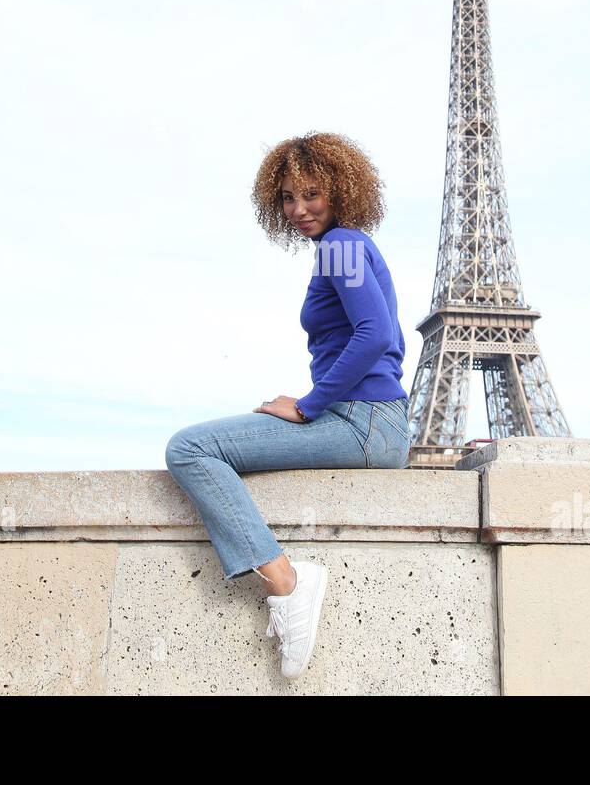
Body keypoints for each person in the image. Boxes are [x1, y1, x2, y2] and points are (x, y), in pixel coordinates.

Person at [164, 131, 411, 679]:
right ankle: (285, 580)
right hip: (376, 421)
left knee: (189, 447)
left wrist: (309, 405)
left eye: (312, 195)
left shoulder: (342, 245)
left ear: (342, 193)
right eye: (287, 198)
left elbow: (374, 334)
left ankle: (286, 581)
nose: (298, 210)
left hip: (363, 422)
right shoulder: (350, 246)